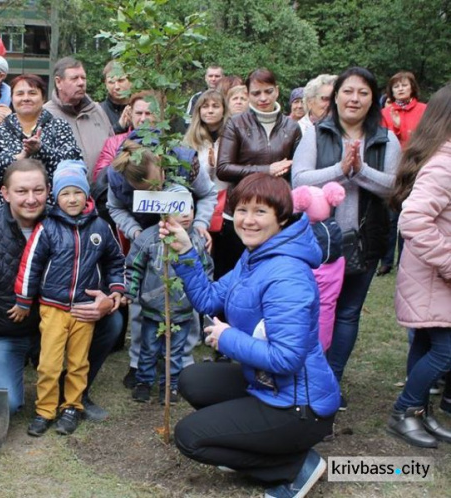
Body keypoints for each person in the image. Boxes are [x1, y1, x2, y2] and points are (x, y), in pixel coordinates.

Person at [163, 173, 340, 498]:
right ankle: (252, 441)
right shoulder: (255, 256)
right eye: (242, 210)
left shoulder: (287, 275)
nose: (248, 220)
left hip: (299, 408)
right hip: (267, 383)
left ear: (282, 217)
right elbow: (209, 300)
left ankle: (293, 467)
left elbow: (287, 358)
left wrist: (228, 338)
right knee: (192, 380)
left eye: (260, 212)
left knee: (189, 437)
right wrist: (187, 252)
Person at [0, 159, 123, 420]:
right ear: (5, 193)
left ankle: (73, 392)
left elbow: (106, 261)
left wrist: (109, 295)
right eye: (21, 191)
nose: (31, 199)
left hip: (59, 319)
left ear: (48, 190)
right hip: (4, 331)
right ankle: (18, 375)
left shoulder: (71, 221)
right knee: (7, 405)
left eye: (38, 190)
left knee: (112, 322)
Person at [292, 67, 400, 404]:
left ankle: (330, 381)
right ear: (336, 95)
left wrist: (360, 170)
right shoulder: (316, 134)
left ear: (373, 100)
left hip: (366, 239)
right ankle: (305, 374)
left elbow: (394, 187)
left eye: (363, 93)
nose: (354, 99)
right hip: (317, 243)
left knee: (348, 313)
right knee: (311, 310)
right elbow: (299, 180)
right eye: (348, 91)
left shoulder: (385, 139)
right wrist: (340, 169)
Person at [13, 160, 124, 436]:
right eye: (65, 193)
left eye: (77, 192)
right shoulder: (47, 228)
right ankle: (45, 410)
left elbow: (115, 261)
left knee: (78, 362)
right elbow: (31, 264)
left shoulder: (100, 227)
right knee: (49, 363)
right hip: (53, 307)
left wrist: (117, 289)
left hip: (84, 309)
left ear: (86, 194)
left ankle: (72, 406)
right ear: (56, 196)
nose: (72, 199)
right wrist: (24, 300)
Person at [107, 139, 216, 386]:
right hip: (147, 237)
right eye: (145, 188)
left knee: (188, 296)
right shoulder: (116, 177)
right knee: (142, 300)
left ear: (161, 163)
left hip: (184, 235)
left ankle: (183, 363)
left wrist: (199, 225)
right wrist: (135, 232)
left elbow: (208, 193)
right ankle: (139, 363)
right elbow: (115, 209)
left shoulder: (186, 161)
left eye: (156, 184)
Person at [387, 84, 451, 448]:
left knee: (428, 344)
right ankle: (404, 410)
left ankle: (419, 414)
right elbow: (412, 221)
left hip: (430, 277)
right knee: (445, 351)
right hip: (434, 277)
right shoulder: (445, 162)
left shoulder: (441, 155)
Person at [125, 184, 213, 404]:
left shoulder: (197, 242)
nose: (185, 214)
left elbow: (206, 270)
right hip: (153, 309)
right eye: (178, 208)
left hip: (182, 310)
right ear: (163, 210)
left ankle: (171, 386)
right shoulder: (148, 238)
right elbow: (134, 266)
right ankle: (144, 382)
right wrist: (130, 291)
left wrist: (208, 296)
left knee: (175, 351)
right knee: (148, 348)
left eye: (189, 208)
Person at [216, 67, 302, 278]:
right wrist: (267, 170)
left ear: (277, 91)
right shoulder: (236, 124)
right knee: (231, 274)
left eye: (268, 91)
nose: (263, 98)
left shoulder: (292, 128)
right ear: (247, 94)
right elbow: (223, 168)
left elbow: (297, 172)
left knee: (269, 275)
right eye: (256, 93)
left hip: (275, 212)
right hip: (240, 209)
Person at [0, 73, 82, 213]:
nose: (26, 98)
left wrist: (42, 150)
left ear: (43, 98)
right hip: (3, 213)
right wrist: (18, 158)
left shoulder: (59, 126)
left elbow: (74, 163)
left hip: (50, 212)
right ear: (12, 99)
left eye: (32, 93)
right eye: (20, 94)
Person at [377, 71, 427, 277]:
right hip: (393, 171)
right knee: (390, 217)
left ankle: (405, 260)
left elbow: (427, 136)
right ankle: (386, 261)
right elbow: (383, 141)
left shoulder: (424, 110)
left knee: (411, 215)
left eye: (404, 85)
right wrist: (396, 128)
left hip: (417, 169)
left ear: (412, 88)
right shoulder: (385, 113)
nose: (400, 89)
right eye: (396, 86)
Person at [291, 183, 346, 352]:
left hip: (300, 329)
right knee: (326, 311)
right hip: (328, 303)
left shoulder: (303, 235)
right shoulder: (335, 231)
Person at [183, 89, 229, 279]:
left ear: (223, 110)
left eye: (215, 106)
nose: (210, 111)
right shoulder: (189, 141)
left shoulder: (231, 138)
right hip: (199, 208)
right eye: (205, 106)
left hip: (226, 208)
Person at [43, 57, 113, 178]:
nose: (81, 83)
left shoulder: (96, 110)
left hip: (102, 191)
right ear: (59, 82)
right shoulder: (45, 115)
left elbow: (113, 147)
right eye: (74, 78)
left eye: (83, 78)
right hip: (63, 193)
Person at [100, 60, 132, 134]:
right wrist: (119, 126)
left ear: (130, 80)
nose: (117, 87)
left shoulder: (140, 107)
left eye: (121, 80)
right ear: (106, 84)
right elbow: (97, 140)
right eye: (111, 82)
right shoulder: (99, 111)